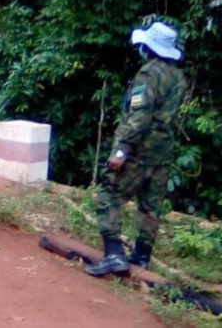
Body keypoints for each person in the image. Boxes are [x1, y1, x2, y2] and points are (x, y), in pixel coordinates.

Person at [86, 21, 187, 276]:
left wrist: (122, 151)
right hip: (162, 152)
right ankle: (141, 259)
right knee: (150, 206)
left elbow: (140, 117)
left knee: (109, 196)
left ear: (148, 47)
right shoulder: (178, 76)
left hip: (140, 150)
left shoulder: (148, 74)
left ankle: (113, 255)